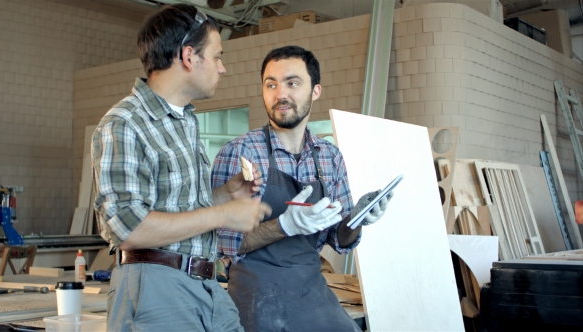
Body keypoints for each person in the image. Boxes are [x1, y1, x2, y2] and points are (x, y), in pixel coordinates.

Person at [91, 4, 271, 331]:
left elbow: (176, 209)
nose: (222, 68)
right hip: (155, 290)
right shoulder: (125, 124)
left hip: (205, 284)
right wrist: (223, 216)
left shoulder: (184, 120)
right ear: (189, 57)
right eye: (216, 57)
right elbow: (127, 228)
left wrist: (223, 197)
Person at [211, 45, 393, 332]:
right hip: (256, 292)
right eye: (271, 84)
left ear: (315, 91)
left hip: (311, 285)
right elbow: (219, 242)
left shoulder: (328, 156)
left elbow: (339, 238)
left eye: (292, 83)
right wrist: (283, 225)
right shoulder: (240, 152)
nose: (280, 94)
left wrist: (358, 219)